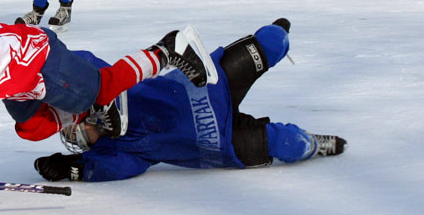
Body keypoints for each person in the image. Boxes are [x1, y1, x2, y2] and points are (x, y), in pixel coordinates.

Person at [0, 13, 212, 197]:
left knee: (100, 88)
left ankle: (169, 49)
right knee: (31, 129)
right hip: (11, 81)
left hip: (40, 59)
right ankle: (87, 107)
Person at [33, 19, 347, 182]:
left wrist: (37, 57)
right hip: (219, 141)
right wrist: (74, 169)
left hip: (208, 84)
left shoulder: (101, 86)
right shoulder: (116, 148)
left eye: (78, 130)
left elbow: (82, 64)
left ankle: (276, 35)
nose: (84, 134)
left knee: (273, 41)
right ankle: (315, 144)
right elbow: (113, 168)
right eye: (80, 139)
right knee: (290, 144)